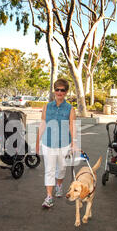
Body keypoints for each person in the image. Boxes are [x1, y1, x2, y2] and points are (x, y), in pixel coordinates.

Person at [36, 79, 76, 208]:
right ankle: (49, 197)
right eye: (57, 89)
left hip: (64, 144)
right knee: (49, 170)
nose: (59, 92)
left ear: (66, 92)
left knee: (62, 168)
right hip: (48, 143)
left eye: (62, 90)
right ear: (54, 91)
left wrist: (74, 143)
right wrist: (37, 142)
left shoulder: (70, 108)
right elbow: (42, 124)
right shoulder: (47, 106)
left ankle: (59, 184)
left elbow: (72, 126)